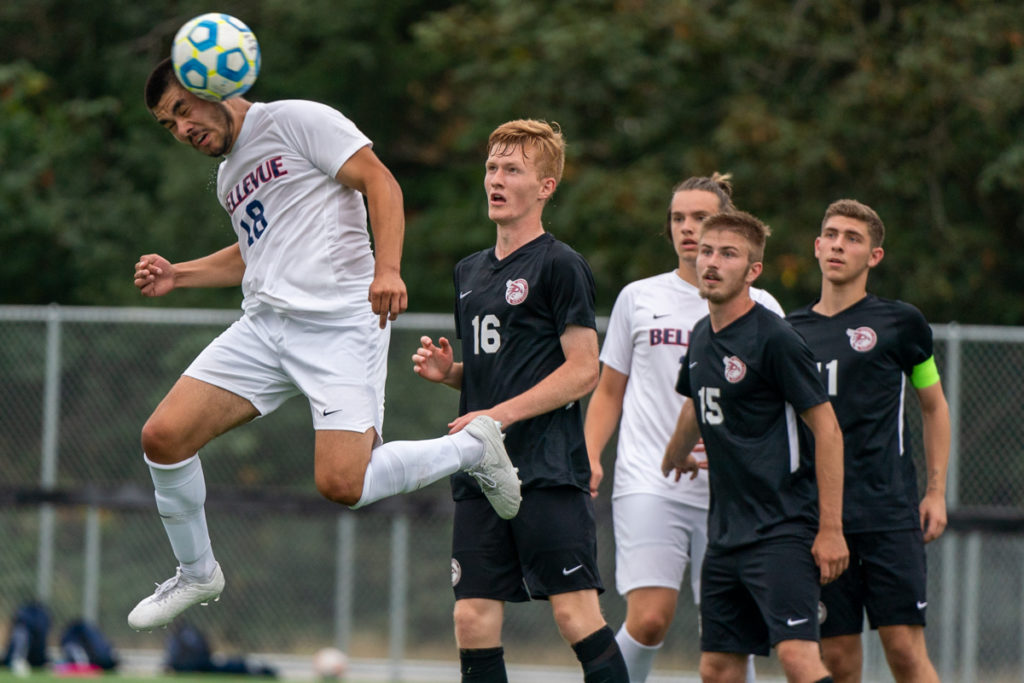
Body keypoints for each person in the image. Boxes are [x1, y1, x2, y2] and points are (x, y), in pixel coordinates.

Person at [127, 58, 521, 631]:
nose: (183, 129)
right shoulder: (226, 177)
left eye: (183, 110)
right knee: (162, 438)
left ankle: (473, 449)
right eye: (169, 125)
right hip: (264, 328)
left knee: (344, 484)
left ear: (214, 87)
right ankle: (197, 572)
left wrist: (388, 268)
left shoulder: (294, 120)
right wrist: (179, 274)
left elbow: (379, 180)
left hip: (340, 324)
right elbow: (255, 251)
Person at [412, 119, 628, 682]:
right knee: (472, 617)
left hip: (547, 469)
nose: (496, 179)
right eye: (491, 168)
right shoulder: (469, 272)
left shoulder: (560, 265)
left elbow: (583, 371)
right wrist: (451, 374)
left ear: (547, 186)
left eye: (513, 169)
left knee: (573, 612)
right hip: (482, 471)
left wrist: (497, 416)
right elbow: (501, 369)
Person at [584, 174, 778, 682]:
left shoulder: (766, 309)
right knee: (649, 620)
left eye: (700, 218)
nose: (688, 229)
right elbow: (609, 391)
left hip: (735, 493)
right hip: (651, 478)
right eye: (678, 218)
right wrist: (588, 455)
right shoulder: (639, 298)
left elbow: (780, 405)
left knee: (731, 637)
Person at [661, 210, 849, 683]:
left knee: (798, 660)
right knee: (718, 668)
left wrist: (830, 529)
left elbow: (827, 430)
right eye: (706, 251)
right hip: (725, 534)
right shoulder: (703, 335)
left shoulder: (776, 337)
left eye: (729, 254)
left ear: (753, 271)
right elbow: (695, 403)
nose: (712, 262)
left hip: (781, 528)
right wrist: (676, 452)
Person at [786, 199, 950, 683]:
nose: (839, 245)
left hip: (888, 512)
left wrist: (936, 492)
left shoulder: (902, 324)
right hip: (818, 519)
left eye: (853, 238)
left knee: (903, 649)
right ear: (817, 247)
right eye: (832, 234)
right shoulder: (789, 333)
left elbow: (935, 406)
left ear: (874, 257)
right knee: (837, 660)